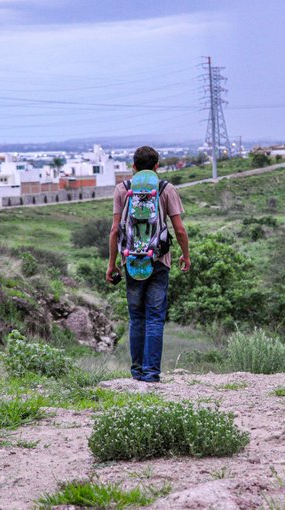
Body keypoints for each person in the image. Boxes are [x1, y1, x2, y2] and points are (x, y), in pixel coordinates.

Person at [106, 146, 190, 382]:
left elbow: (114, 230)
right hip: (159, 260)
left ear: (133, 167)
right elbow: (179, 229)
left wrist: (112, 264)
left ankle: (137, 372)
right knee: (155, 317)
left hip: (131, 261)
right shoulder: (166, 189)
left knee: (136, 317)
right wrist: (186, 255)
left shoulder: (122, 190)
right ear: (156, 167)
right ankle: (152, 373)